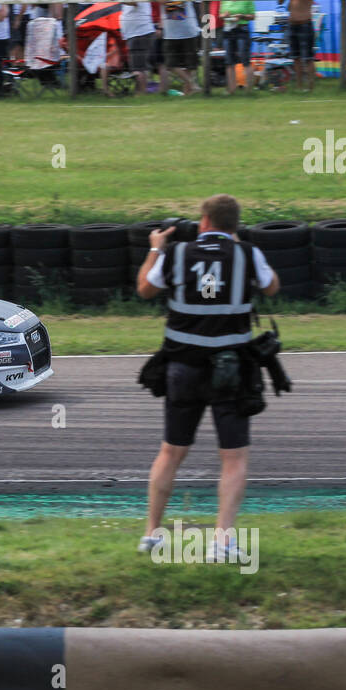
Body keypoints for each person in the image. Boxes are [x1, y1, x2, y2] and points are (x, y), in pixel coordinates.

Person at [135, 194, 279, 562]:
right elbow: (272, 287)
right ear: (235, 224)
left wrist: (156, 248)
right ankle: (222, 542)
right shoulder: (248, 254)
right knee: (233, 458)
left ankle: (152, 534)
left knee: (171, 452)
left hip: (182, 369)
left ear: (203, 222)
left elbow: (145, 289)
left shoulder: (176, 254)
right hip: (231, 371)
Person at [144, 0, 199, 96]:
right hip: (171, 33)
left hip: (189, 30)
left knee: (190, 65)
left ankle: (188, 93)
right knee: (170, 64)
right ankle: (193, 85)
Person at [280, 0, 324, 92]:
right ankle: (299, 87)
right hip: (292, 24)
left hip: (305, 24)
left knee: (308, 58)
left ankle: (310, 87)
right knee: (296, 58)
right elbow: (281, 1)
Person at [116, 0, 155, 95]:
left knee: (138, 67)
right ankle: (141, 91)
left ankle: (141, 92)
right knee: (137, 66)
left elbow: (134, 2)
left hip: (140, 33)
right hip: (135, 34)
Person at [219, 0, 254, 93]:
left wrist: (242, 16)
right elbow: (221, 14)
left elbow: (253, 15)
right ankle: (231, 89)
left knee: (245, 59)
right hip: (228, 29)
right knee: (229, 60)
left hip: (241, 28)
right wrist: (225, 15)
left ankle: (249, 89)